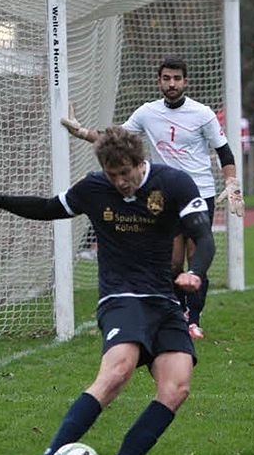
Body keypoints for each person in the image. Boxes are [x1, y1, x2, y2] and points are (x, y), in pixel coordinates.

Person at [0, 127, 215, 455]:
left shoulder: (174, 183)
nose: (121, 182)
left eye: (125, 173)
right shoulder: (94, 189)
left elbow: (203, 236)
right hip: (121, 296)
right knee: (116, 372)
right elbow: (47, 208)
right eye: (113, 175)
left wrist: (196, 273)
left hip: (164, 299)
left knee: (176, 387)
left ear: (140, 162)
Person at [60, 56, 241, 340]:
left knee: (197, 258)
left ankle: (193, 318)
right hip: (164, 194)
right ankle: (177, 309)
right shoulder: (147, 112)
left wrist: (232, 183)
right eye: (166, 78)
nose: (172, 84)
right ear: (159, 81)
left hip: (198, 194)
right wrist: (81, 131)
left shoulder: (202, 113)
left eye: (177, 78)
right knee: (171, 262)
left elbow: (225, 152)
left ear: (186, 81)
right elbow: (114, 138)